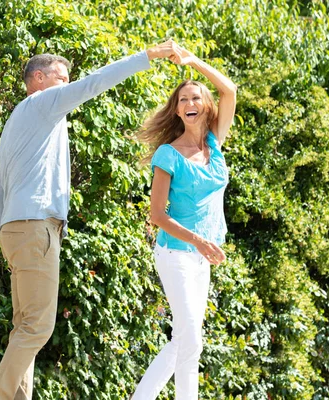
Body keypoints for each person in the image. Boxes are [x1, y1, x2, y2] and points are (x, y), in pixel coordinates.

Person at [0, 40, 181, 400]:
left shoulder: (18, 120)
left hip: (16, 229)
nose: (69, 85)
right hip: (35, 227)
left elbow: (0, 188)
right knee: (38, 329)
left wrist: (4, 231)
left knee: (24, 329)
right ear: (40, 78)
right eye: (63, 78)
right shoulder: (44, 103)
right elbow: (94, 83)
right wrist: (148, 56)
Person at [132, 46, 237, 400]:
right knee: (191, 339)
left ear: (206, 105)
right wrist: (197, 240)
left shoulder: (214, 142)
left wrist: (193, 63)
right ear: (177, 110)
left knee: (186, 340)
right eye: (182, 99)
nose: (189, 102)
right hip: (175, 253)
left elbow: (230, 90)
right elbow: (157, 215)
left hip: (200, 256)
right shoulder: (168, 155)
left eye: (196, 97)